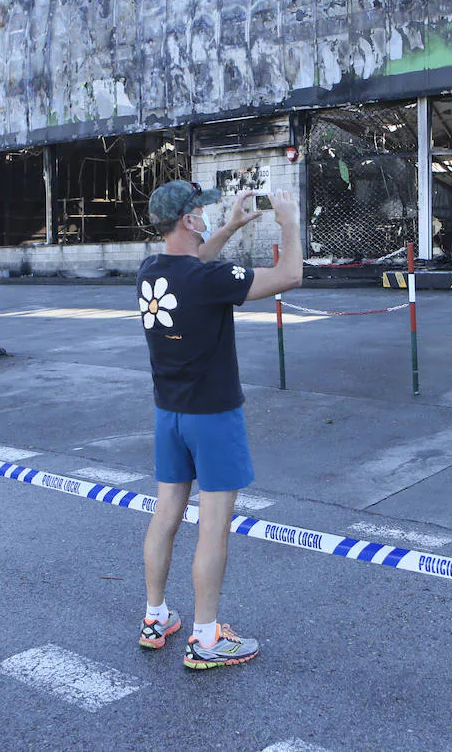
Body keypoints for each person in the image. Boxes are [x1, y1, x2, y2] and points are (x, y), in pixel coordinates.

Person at [135, 180, 302, 669]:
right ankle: (206, 639)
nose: (208, 214)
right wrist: (288, 221)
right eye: (203, 211)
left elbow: (194, 261)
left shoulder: (151, 271)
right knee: (212, 529)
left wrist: (231, 225)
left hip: (169, 416)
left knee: (166, 515)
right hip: (213, 418)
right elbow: (289, 276)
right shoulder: (208, 280)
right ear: (187, 221)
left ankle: (155, 617)